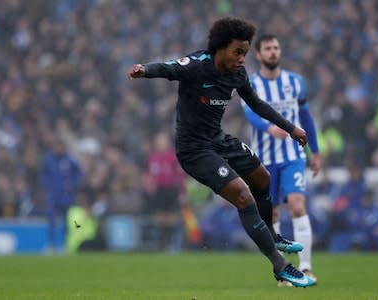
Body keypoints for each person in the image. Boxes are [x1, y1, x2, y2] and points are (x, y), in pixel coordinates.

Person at [129, 17, 315, 287]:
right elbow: (167, 68)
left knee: (263, 179)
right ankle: (280, 265)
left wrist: (291, 128)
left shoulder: (237, 74)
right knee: (243, 195)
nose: (242, 59)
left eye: (245, 53)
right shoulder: (197, 65)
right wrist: (143, 70)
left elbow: (257, 104)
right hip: (194, 149)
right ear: (220, 48)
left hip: (218, 139)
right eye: (237, 52)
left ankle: (272, 236)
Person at [242, 34, 321, 285]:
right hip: (263, 160)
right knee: (272, 213)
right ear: (258, 54)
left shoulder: (296, 82)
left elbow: (306, 119)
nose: (273, 52)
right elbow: (251, 115)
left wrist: (315, 152)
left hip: (292, 156)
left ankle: (306, 267)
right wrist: (268, 128)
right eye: (268, 48)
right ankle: (283, 271)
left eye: (276, 47)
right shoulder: (251, 83)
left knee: (297, 205)